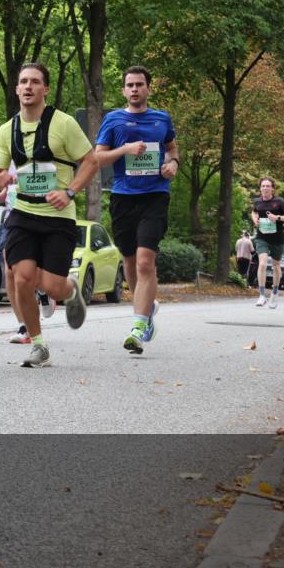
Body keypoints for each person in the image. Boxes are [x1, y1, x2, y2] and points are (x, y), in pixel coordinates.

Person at [0, 63, 100, 368]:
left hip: (59, 217)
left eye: (35, 82)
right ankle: (38, 344)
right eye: (23, 81)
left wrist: (70, 192)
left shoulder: (63, 124)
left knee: (52, 286)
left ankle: (70, 290)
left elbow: (91, 161)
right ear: (17, 89)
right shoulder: (6, 130)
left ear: (45, 89)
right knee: (21, 277)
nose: (28, 87)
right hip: (23, 212)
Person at [94, 66, 179, 354]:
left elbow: (173, 150)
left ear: (148, 88)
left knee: (145, 262)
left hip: (155, 195)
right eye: (129, 85)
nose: (134, 89)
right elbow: (98, 158)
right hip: (123, 198)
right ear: (123, 90)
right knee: (130, 263)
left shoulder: (161, 119)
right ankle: (147, 307)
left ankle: (138, 327)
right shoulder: (113, 120)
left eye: (139, 84)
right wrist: (125, 150)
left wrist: (173, 165)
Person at [0, 176, 56, 345]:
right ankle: (23, 327)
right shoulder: (9, 157)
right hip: (12, 220)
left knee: (31, 268)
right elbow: (8, 188)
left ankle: (43, 289)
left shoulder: (37, 156)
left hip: (38, 217)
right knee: (10, 271)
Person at [250, 177, 284, 308]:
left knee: (276, 265)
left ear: (272, 188)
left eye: (268, 186)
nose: (265, 188)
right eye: (263, 186)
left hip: (277, 239)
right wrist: (254, 219)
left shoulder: (279, 201)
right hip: (262, 237)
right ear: (260, 188)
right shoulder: (257, 201)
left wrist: (278, 217)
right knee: (262, 263)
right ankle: (262, 295)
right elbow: (254, 211)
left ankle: (274, 294)